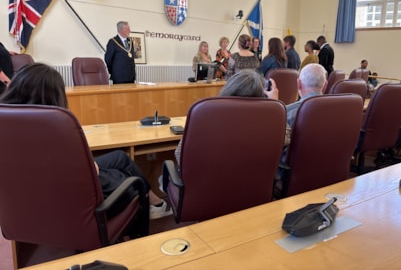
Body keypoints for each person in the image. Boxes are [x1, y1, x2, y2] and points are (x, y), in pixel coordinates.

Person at [0, 63, 171, 220]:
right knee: (126, 179)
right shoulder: (56, 126)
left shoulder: (8, 120)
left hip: (35, 196)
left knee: (120, 157)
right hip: (73, 194)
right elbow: (89, 170)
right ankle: (150, 206)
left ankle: (155, 203)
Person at [173, 70, 280, 166]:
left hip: (207, 185)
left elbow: (179, 155)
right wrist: (275, 104)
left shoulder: (204, 116)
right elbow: (286, 136)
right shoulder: (266, 125)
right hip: (251, 185)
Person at [281, 63, 328, 163]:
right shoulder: (340, 109)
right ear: (325, 85)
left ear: (299, 84)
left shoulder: (286, 112)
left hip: (291, 169)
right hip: (331, 168)